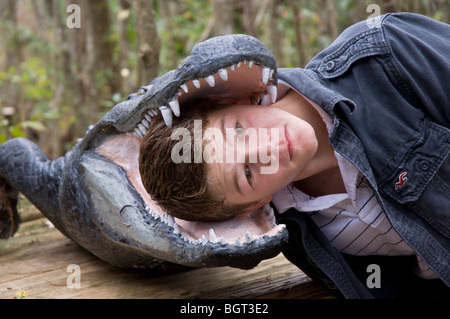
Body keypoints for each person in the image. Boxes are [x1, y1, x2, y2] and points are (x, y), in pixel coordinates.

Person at [139, 12, 449, 298]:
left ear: (235, 100)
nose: (266, 149)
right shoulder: (307, 238)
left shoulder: (382, 52)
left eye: (238, 131)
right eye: (247, 174)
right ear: (254, 205)